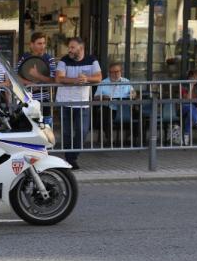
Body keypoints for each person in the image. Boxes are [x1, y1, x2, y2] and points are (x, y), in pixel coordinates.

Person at [55, 37, 102, 170]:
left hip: (82, 102)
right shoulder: (64, 60)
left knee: (82, 131)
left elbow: (98, 77)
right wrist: (76, 80)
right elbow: (58, 78)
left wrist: (87, 78)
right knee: (67, 133)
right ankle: (70, 159)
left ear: (81, 48)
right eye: (69, 47)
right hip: (64, 102)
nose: (69, 50)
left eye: (72, 47)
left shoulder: (92, 60)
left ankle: (72, 157)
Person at [15, 32, 57, 124]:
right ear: (32, 44)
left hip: (44, 100)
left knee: (45, 127)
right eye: (39, 43)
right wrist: (30, 83)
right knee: (28, 127)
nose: (42, 46)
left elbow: (53, 80)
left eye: (44, 43)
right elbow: (15, 76)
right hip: (27, 100)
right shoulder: (24, 57)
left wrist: (37, 75)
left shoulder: (49, 59)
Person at [94, 62, 135, 140]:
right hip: (110, 108)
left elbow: (133, 92)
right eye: (112, 72)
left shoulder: (126, 81)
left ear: (121, 71)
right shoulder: (104, 82)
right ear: (109, 73)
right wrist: (103, 96)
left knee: (138, 114)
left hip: (125, 107)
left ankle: (133, 138)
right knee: (104, 115)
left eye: (116, 71)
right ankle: (110, 139)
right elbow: (95, 97)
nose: (114, 74)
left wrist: (133, 94)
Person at [180, 69, 197, 145]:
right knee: (190, 106)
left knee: (190, 115)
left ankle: (186, 139)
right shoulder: (184, 86)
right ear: (189, 78)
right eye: (193, 77)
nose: (194, 79)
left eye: (196, 77)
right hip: (183, 108)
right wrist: (191, 86)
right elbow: (187, 100)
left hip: (194, 110)